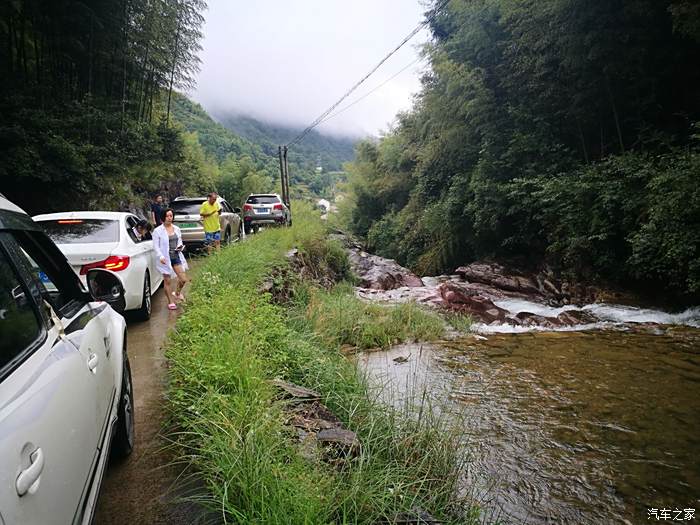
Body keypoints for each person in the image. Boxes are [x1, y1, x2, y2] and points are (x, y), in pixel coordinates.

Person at [152, 208, 190, 310]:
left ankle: (177, 293)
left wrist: (180, 247)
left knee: (183, 279)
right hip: (165, 259)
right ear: (163, 217)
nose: (169, 218)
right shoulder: (157, 231)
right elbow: (156, 246)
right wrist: (160, 256)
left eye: (171, 216)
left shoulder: (176, 228)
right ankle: (170, 302)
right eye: (167, 216)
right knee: (167, 281)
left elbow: (180, 241)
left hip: (176, 256)